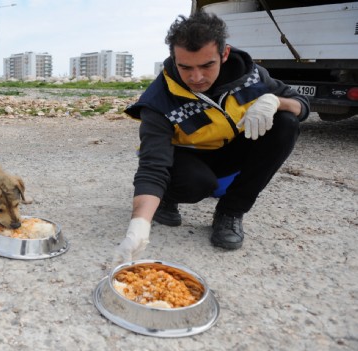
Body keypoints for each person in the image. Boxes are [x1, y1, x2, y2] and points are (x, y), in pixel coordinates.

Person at [114, 11, 309, 263]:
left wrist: (275, 101)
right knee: (198, 184)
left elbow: (302, 105)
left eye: (207, 65)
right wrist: (139, 225)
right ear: (174, 58)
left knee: (286, 123)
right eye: (185, 67)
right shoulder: (159, 99)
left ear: (224, 54)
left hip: (228, 151)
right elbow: (152, 166)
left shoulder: (251, 76)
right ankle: (166, 200)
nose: (196, 78)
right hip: (183, 160)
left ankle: (230, 212)